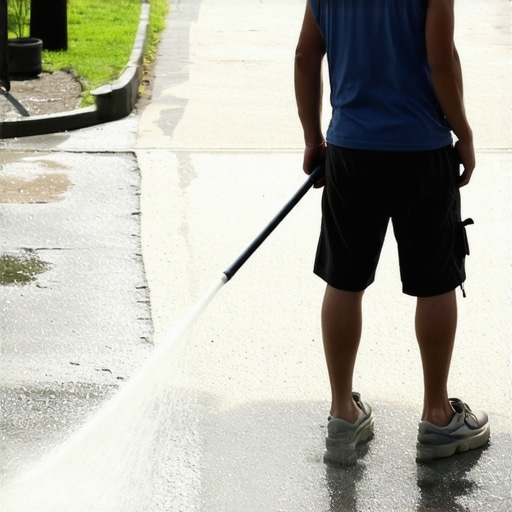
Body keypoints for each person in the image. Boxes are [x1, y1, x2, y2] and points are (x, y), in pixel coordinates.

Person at [294, 0, 490, 463]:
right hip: (421, 150)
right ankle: (437, 416)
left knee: (344, 278)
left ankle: (343, 413)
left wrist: (312, 139)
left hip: (350, 149)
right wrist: (464, 133)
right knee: (436, 280)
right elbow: (441, 58)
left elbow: (306, 55)